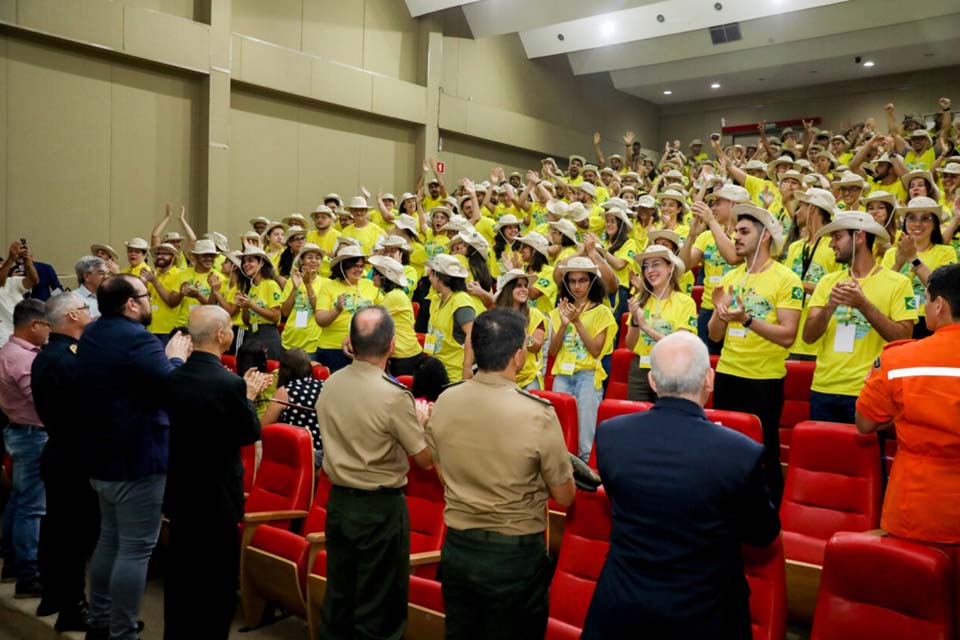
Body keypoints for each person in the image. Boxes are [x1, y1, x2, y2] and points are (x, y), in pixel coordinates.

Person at [582, 332, 780, 639]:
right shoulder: (741, 452)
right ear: (709, 379)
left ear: (652, 382)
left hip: (623, 606)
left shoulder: (611, 435)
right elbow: (762, 534)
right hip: (705, 613)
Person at [424, 308, 575, 639]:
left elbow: (441, 472)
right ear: (519, 356)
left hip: (459, 549)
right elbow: (565, 496)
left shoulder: (446, 401)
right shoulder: (537, 414)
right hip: (514, 557)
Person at [76, 274, 191, 640]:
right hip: (136, 459)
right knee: (136, 548)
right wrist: (175, 358)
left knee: (109, 540)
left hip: (102, 454)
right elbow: (172, 387)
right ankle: (122, 631)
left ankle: (100, 619)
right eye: (145, 297)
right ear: (130, 303)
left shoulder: (93, 332)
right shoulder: (138, 339)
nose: (150, 303)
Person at [315, 306, 432, 640]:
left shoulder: (332, 382)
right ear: (392, 345)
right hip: (379, 510)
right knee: (378, 609)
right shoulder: (393, 395)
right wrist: (422, 425)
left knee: (339, 600)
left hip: (337, 502)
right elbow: (423, 460)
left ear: (351, 342)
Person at [163, 306, 269, 639]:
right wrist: (250, 396)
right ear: (222, 336)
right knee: (215, 586)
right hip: (216, 498)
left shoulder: (174, 375)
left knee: (180, 579)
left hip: (180, 491)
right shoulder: (230, 384)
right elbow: (248, 433)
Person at [856, 263, 960, 545]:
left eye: (925, 300)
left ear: (939, 305)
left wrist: (903, 412)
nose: (923, 308)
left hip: (915, 508)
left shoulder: (899, 359)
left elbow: (865, 423)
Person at [708, 204, 803, 504]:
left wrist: (747, 320)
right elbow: (714, 335)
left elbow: (788, 336)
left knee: (763, 453)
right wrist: (719, 313)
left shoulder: (786, 279)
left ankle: (767, 516)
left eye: (744, 232)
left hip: (764, 380)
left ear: (764, 237)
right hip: (728, 374)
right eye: (735, 231)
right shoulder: (732, 276)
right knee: (724, 450)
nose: (735, 237)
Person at [803, 212, 916, 423]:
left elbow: (903, 338)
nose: (831, 245)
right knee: (822, 454)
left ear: (859, 237)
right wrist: (831, 305)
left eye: (837, 237)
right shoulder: (828, 282)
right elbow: (808, 336)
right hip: (824, 387)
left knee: (866, 456)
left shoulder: (898, 283)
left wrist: (863, 305)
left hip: (868, 388)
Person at [30, 293, 97, 631]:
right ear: (72, 316)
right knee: (73, 538)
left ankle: (54, 597)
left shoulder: (50, 354)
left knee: (57, 531)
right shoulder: (68, 359)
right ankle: (73, 608)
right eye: (85, 308)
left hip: (60, 452)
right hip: (74, 457)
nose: (90, 312)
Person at [0, 299, 50, 599]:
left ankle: (11, 561)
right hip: (32, 434)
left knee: (19, 500)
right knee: (32, 506)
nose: (49, 331)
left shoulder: (10, 350)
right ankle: (27, 573)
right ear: (34, 325)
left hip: (19, 431)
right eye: (47, 325)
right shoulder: (22, 359)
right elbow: (41, 397)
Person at [548, 256, 617, 461]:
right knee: (558, 433)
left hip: (588, 375)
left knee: (586, 439)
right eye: (572, 281)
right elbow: (553, 351)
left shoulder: (602, 312)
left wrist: (577, 322)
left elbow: (596, 350)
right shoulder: (558, 311)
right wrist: (562, 324)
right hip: (562, 374)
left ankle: (584, 482)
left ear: (591, 282)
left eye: (582, 280)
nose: (577, 286)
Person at [625, 246, 697, 401]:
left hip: (671, 368)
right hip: (640, 369)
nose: (650, 270)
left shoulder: (685, 302)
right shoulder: (639, 299)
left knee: (666, 421)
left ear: (670, 267)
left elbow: (679, 344)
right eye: (646, 266)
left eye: (656, 264)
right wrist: (636, 322)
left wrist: (645, 327)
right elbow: (630, 345)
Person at [882, 196, 958, 338]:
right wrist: (898, 263)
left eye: (925, 218)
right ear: (905, 223)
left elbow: (941, 289)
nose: (917, 224)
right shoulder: (891, 253)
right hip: (898, 319)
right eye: (911, 218)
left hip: (931, 322)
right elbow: (883, 290)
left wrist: (913, 258)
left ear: (935, 224)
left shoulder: (946, 252)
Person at [314, 244, 378, 373]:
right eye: (354, 266)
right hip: (333, 348)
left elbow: (382, 312)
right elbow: (320, 320)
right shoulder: (329, 287)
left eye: (361, 266)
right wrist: (336, 310)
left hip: (362, 348)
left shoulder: (370, 285)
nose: (359, 270)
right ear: (343, 267)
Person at [260, 347, 324, 467]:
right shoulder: (324, 385)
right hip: (325, 452)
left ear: (283, 370)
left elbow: (263, 427)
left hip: (297, 453)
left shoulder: (285, 391)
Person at [423, 254, 477, 383]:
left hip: (454, 375)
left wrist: (467, 369)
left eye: (431, 273)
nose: (428, 277)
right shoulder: (437, 299)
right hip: (435, 370)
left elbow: (473, 335)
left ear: (437, 277)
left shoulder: (460, 300)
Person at [368, 255, 424, 376]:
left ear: (383, 277)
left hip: (404, 355)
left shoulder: (394, 296)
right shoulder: (392, 295)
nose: (372, 276)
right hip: (403, 353)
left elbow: (371, 319)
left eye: (375, 273)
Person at [235, 246, 284, 360]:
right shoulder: (252, 287)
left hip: (268, 335)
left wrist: (251, 305)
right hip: (252, 333)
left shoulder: (271, 285)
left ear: (261, 263)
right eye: (244, 262)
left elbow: (275, 317)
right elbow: (246, 321)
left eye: (251, 260)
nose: (246, 264)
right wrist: (245, 307)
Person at [141, 243, 183, 344]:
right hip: (150, 327)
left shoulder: (179, 274)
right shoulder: (154, 274)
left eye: (165, 254)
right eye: (158, 253)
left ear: (173, 257)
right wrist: (143, 283)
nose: (160, 256)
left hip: (168, 330)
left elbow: (171, 302)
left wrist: (155, 282)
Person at [0, 241, 40, 347]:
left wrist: (27, 261)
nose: (2, 267)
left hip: (23, 337)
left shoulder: (11, 281)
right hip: (3, 339)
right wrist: (11, 258)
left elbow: (33, 280)